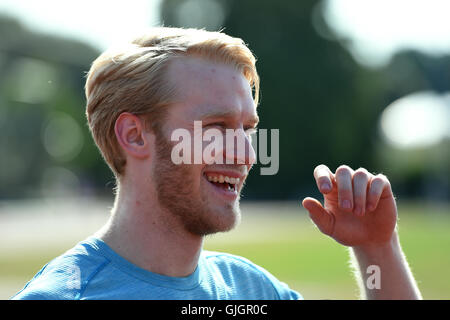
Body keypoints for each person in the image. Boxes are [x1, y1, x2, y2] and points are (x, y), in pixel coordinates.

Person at [12, 27, 421, 300]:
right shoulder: (64, 297)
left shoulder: (252, 291)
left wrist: (377, 250)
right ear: (135, 136)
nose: (245, 154)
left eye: (247, 128)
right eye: (217, 126)